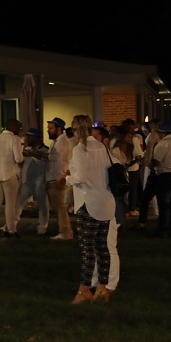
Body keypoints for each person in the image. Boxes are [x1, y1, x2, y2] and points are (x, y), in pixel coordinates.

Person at [67, 115, 115, 303]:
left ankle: (84, 290)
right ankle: (102, 287)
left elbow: (80, 178)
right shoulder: (101, 146)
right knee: (102, 247)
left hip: (88, 203)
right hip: (105, 202)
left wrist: (67, 179)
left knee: (88, 249)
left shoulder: (80, 149)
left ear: (75, 130)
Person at [0, 119, 24, 237]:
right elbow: (18, 158)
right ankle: (10, 229)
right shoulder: (14, 139)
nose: (20, 130)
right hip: (9, 173)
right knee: (10, 203)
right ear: (13, 127)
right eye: (19, 127)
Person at [45, 117, 75, 239]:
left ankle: (65, 232)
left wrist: (38, 153)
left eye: (51, 128)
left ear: (59, 129)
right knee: (58, 207)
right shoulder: (56, 141)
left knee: (60, 207)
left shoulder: (63, 141)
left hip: (58, 178)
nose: (48, 130)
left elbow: (55, 157)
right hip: (54, 177)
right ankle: (64, 231)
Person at [145, 120, 171, 237]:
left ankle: (163, 229)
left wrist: (150, 164)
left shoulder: (163, 143)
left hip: (165, 175)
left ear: (162, 133)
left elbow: (156, 161)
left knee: (164, 204)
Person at [19, 128, 50, 232]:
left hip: (39, 182)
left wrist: (34, 154)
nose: (27, 139)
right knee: (17, 203)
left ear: (37, 138)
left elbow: (47, 160)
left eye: (30, 137)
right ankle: (11, 224)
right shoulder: (27, 149)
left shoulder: (45, 150)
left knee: (42, 205)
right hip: (26, 182)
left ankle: (43, 226)